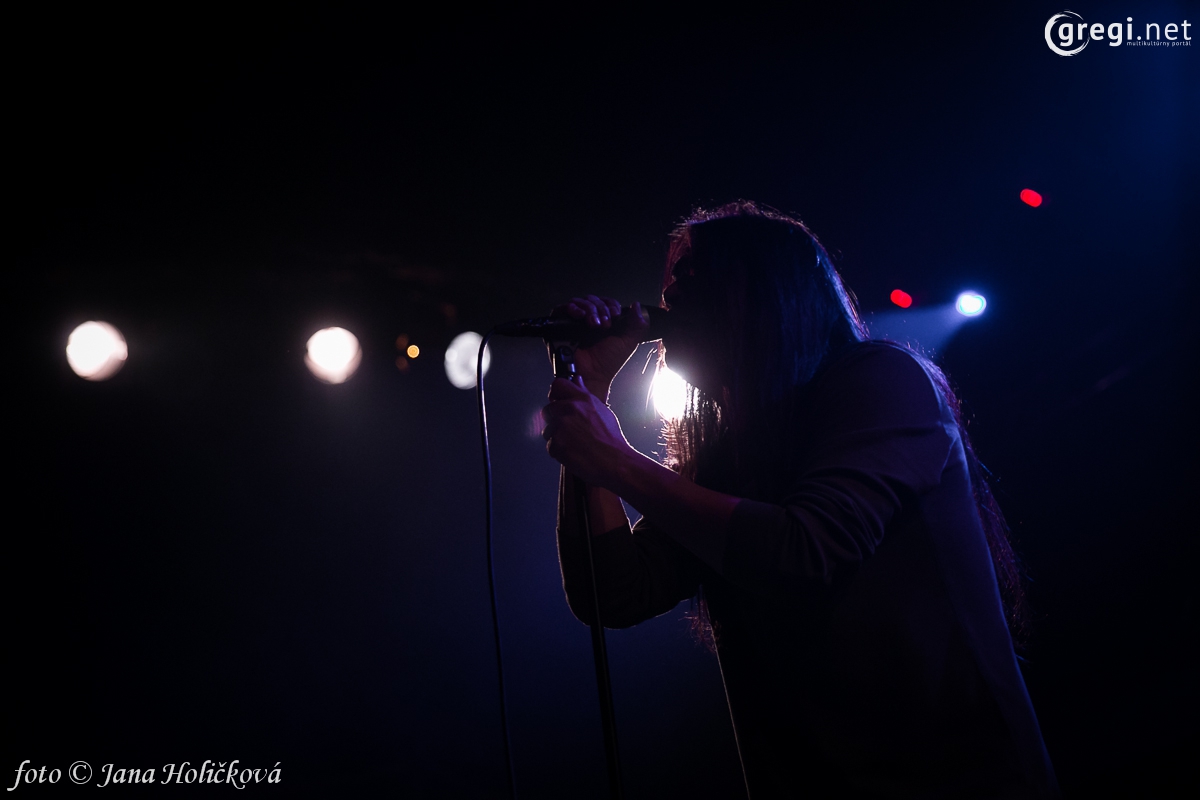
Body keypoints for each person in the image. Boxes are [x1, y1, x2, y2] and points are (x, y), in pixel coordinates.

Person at [540, 202, 1058, 798]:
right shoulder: (727, 458)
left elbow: (805, 550)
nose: (670, 293)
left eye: (694, 273)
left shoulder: (881, 380)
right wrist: (588, 390)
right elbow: (612, 592)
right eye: (670, 280)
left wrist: (616, 460)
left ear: (769, 291)